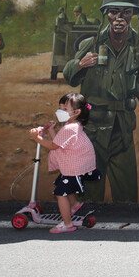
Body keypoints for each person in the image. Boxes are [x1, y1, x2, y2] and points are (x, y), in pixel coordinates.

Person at [63, 0, 139, 202]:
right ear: (107, 14)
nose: (120, 18)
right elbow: (69, 75)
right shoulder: (92, 43)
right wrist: (81, 64)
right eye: (114, 12)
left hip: (123, 128)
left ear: (133, 15)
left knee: (127, 193)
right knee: (90, 192)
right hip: (93, 128)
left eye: (126, 12)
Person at [28, 92, 101, 234]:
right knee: (61, 183)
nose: (60, 112)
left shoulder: (69, 128)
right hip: (75, 166)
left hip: (74, 167)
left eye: (65, 109)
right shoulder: (73, 124)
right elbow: (60, 143)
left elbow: (53, 146)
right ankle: (74, 205)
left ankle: (67, 224)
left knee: (61, 192)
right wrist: (51, 130)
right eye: (60, 108)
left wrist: (36, 138)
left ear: (77, 112)